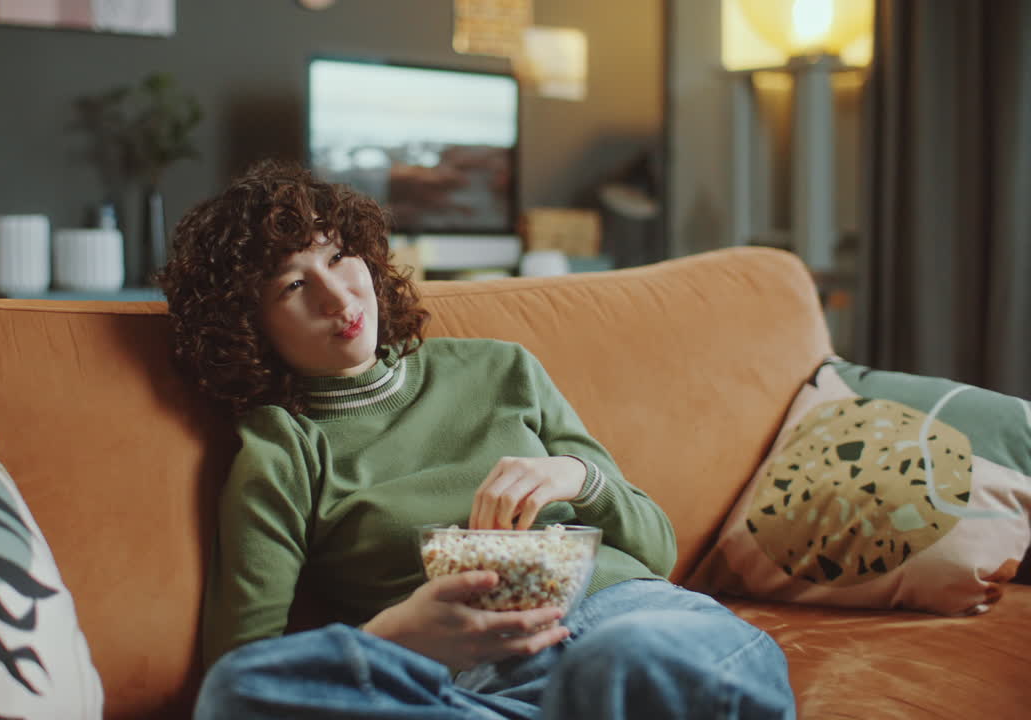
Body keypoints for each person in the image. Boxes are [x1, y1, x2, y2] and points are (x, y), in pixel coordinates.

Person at [157, 159, 796, 720]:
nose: (335, 295)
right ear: (248, 327)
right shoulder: (281, 448)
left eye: (336, 255)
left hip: (641, 631)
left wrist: (577, 476)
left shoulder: (501, 368)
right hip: (481, 691)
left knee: (622, 663)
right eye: (293, 285)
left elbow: (656, 549)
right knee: (239, 695)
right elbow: (247, 668)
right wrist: (393, 640)